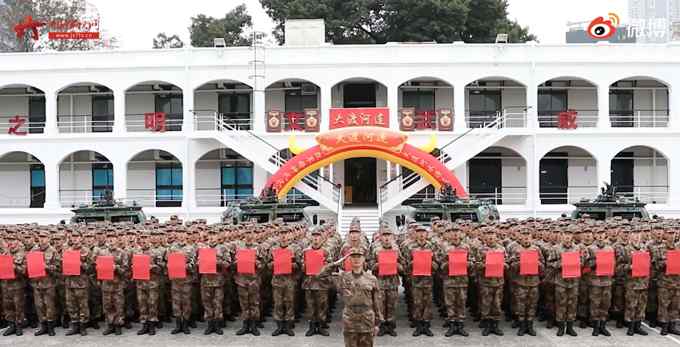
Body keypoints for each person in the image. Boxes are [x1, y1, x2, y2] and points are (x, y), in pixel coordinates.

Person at [322, 248, 383, 347]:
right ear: (349, 259)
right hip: (350, 318)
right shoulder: (343, 277)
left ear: (364, 259)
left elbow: (377, 301)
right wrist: (336, 263)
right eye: (353, 257)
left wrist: (377, 323)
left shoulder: (371, 279)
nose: (356, 259)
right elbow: (320, 275)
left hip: (366, 318)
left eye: (359, 256)